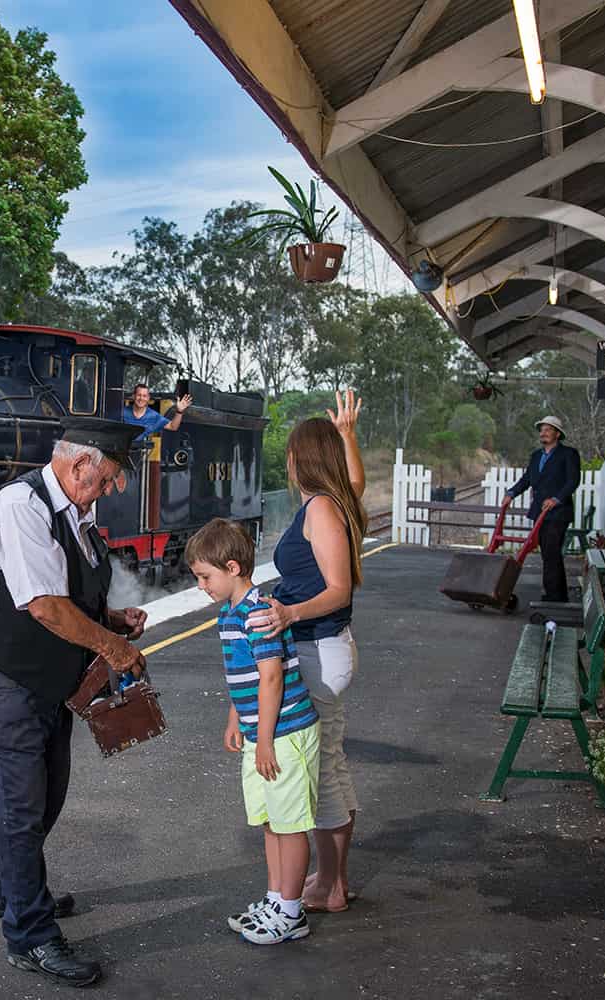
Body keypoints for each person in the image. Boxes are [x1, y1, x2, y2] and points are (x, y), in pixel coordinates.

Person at [0, 418, 149, 988]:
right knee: (22, 809)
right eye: (109, 477)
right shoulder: (22, 505)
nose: (112, 490)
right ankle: (30, 935)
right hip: (5, 682)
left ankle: (0, 889)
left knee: (42, 798)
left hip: (46, 684)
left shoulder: (78, 512)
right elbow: (41, 603)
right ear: (78, 463)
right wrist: (111, 647)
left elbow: (70, 595)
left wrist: (110, 619)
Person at [245, 388, 367, 914]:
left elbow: (339, 587)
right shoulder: (336, 501)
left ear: (302, 460)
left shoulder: (320, 508)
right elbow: (357, 481)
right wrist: (348, 434)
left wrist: (289, 612)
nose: (288, 463)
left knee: (319, 768)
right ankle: (331, 879)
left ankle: (330, 886)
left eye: (292, 454)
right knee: (332, 762)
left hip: (318, 646)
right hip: (326, 647)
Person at [186, 518, 320, 946]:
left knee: (290, 824)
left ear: (231, 567)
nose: (201, 586)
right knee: (270, 821)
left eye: (205, 577)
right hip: (262, 732)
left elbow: (271, 678)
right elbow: (242, 675)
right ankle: (277, 899)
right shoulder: (229, 613)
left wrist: (263, 738)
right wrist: (234, 718)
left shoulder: (258, 614)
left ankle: (293, 912)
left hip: (284, 734)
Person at [505, 415, 581, 603]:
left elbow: (573, 481)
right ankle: (557, 595)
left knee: (551, 553)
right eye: (542, 430)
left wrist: (556, 499)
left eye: (548, 430)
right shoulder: (536, 456)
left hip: (558, 513)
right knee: (548, 553)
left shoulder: (568, 454)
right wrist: (511, 493)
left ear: (557, 434)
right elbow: (527, 479)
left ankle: (554, 597)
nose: (543, 433)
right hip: (540, 512)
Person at [120, 383, 192, 441]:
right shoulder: (121, 412)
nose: (141, 398)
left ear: (148, 398)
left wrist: (179, 411)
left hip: (138, 453)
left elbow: (173, 426)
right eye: (139, 395)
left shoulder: (153, 416)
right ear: (133, 396)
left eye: (144, 396)